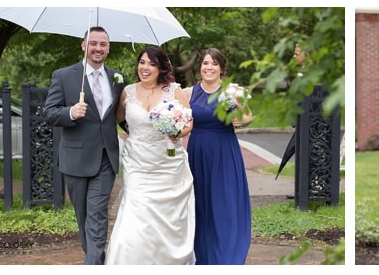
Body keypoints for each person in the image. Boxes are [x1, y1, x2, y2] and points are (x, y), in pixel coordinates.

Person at [42, 26, 125, 265]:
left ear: (109, 48)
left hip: (105, 158)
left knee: (97, 214)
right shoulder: (64, 75)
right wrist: (70, 112)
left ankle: (92, 265)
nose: (98, 48)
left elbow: (120, 116)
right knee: (84, 216)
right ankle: (95, 259)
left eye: (103, 44)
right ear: (83, 45)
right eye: (94, 43)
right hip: (75, 159)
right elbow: (49, 113)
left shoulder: (116, 78)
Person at [106, 45, 195, 264]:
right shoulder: (128, 91)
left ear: (161, 68)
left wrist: (177, 132)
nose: (145, 68)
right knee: (135, 215)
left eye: (152, 64)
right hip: (137, 164)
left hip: (168, 163)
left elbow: (189, 122)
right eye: (142, 62)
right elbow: (116, 119)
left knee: (166, 218)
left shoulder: (174, 91)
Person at [186, 48, 253, 264]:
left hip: (224, 152)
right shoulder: (189, 93)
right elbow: (179, 118)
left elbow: (248, 115)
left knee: (224, 203)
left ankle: (227, 257)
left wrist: (241, 121)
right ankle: (202, 256)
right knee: (201, 204)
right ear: (200, 67)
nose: (209, 67)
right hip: (197, 153)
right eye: (206, 63)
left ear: (221, 69)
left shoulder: (231, 91)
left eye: (214, 64)